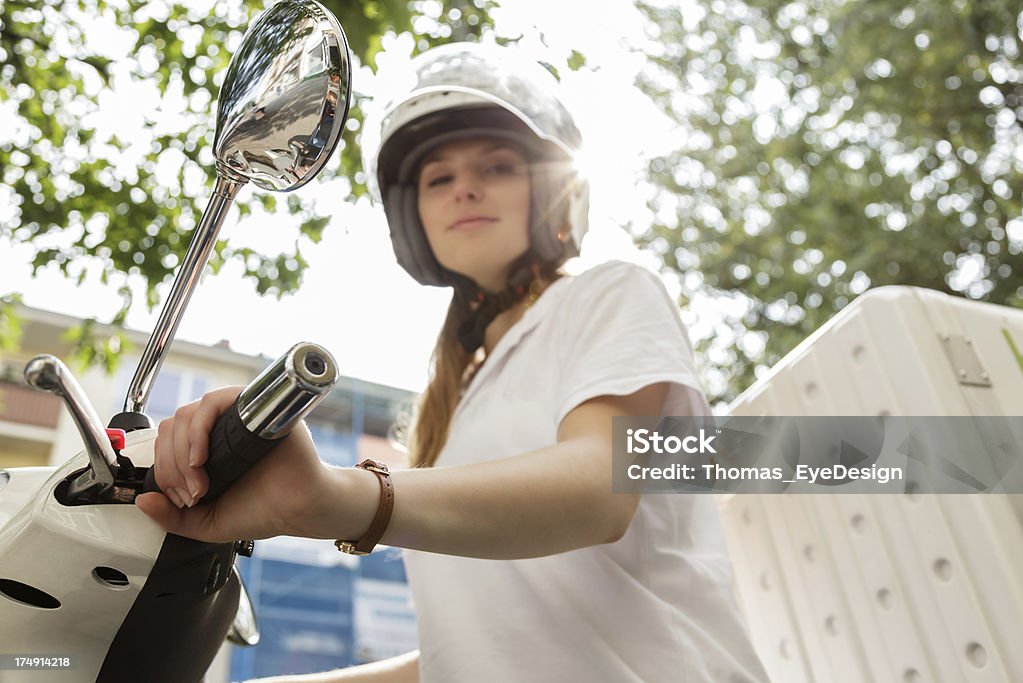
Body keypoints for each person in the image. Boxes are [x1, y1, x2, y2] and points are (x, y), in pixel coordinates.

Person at [137, 42, 769, 683]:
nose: (465, 187)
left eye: (496, 166)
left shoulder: (606, 294)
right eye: (439, 177)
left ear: (547, 190)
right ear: (414, 219)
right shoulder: (452, 413)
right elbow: (467, 652)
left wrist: (335, 496)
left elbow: (599, 486)